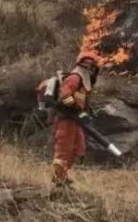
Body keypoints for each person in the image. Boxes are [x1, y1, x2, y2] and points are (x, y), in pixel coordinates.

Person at [49, 51, 100, 189]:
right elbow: (65, 95)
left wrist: (85, 112)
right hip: (66, 120)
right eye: (90, 65)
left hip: (75, 120)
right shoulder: (75, 77)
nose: (92, 69)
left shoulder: (83, 80)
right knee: (64, 149)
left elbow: (81, 100)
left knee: (78, 149)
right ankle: (58, 181)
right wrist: (76, 110)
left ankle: (63, 175)